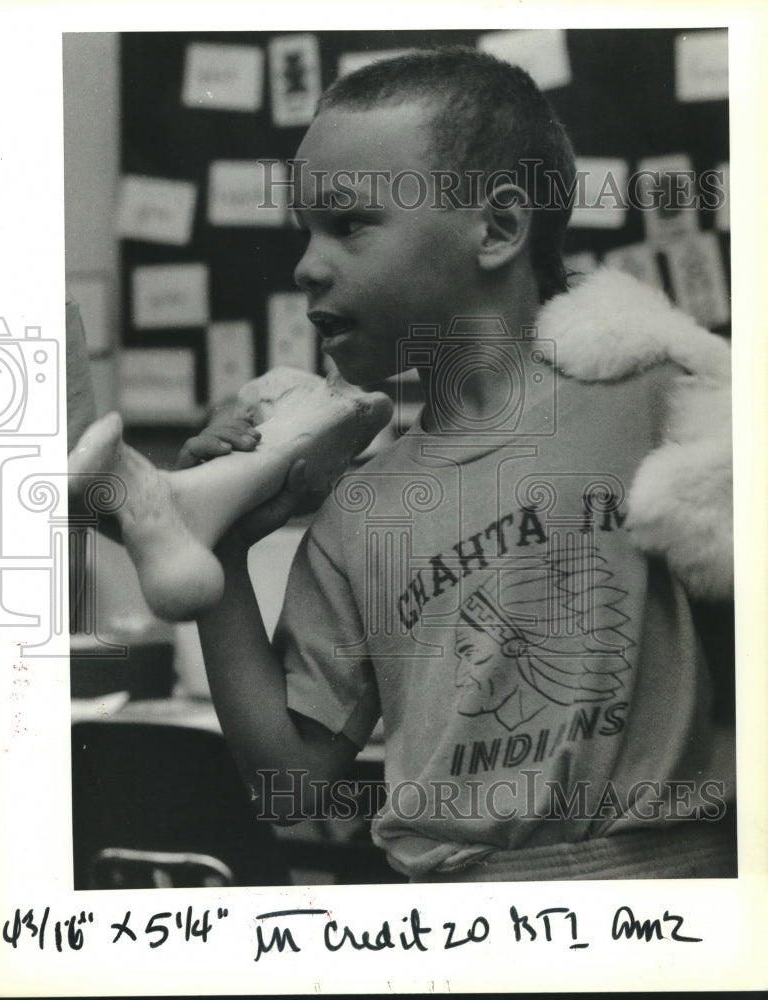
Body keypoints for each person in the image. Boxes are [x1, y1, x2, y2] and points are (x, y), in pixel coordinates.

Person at [186, 48, 735, 881]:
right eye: (304, 230)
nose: (307, 263)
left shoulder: (660, 396)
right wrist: (210, 541)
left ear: (498, 228)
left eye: (349, 223)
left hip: (669, 902)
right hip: (456, 922)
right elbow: (290, 788)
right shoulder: (360, 508)